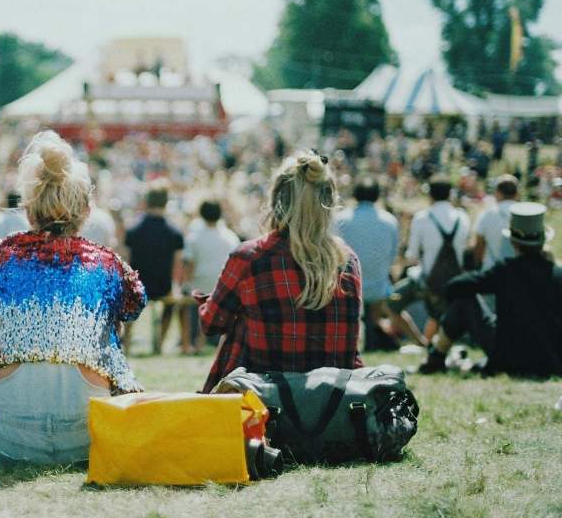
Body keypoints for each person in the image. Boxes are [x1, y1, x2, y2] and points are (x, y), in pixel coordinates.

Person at [0, 131, 146, 464]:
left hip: (6, 436)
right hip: (88, 435)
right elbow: (135, 304)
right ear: (86, 210)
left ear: (28, 207)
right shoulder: (106, 263)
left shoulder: (0, 256)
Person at [197, 151, 363, 393]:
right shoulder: (347, 260)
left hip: (266, 400)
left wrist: (208, 301)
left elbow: (210, 324)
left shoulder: (250, 257)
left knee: (242, 321)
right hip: (332, 402)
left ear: (276, 201)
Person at [419, 202, 561, 377]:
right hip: (551, 360)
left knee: (465, 302)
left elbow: (455, 287)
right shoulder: (557, 274)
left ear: (513, 242)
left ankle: (435, 357)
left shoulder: (506, 270)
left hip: (508, 357)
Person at [336, 177, 422, 349]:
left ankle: (362, 339)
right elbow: (392, 256)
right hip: (378, 288)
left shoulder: (340, 219)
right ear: (377, 196)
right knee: (385, 301)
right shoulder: (389, 220)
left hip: (347, 287)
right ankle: (419, 343)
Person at [387, 176, 470, 340]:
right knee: (438, 313)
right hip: (455, 282)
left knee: (391, 304)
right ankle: (433, 345)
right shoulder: (463, 217)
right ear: (450, 195)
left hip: (428, 282)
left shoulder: (422, 217)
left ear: (430, 195)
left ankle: (419, 341)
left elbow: (412, 256)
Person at [125, 181, 185, 353]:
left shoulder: (133, 229)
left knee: (129, 303)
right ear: (166, 202)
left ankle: (127, 342)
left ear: (147, 201)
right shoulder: (175, 231)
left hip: (138, 286)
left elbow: (127, 262)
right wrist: (175, 286)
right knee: (171, 305)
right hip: (162, 286)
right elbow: (177, 264)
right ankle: (160, 343)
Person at [181, 199, 239, 354]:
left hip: (199, 286)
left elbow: (189, 266)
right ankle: (202, 341)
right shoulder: (231, 237)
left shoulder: (194, 237)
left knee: (185, 301)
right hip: (223, 286)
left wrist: (185, 284)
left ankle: (188, 343)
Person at [473, 175, 519, 271]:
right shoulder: (526, 215)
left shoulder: (486, 215)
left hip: (491, 271)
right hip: (519, 273)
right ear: (517, 194)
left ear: (497, 193)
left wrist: (477, 267)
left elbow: (479, 247)